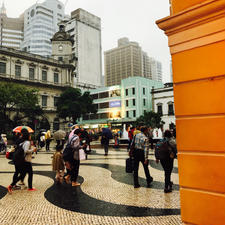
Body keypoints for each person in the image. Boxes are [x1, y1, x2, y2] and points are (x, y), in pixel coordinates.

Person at [8, 128, 36, 193]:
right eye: (29, 135)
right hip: (26, 160)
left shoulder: (23, 142)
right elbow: (26, 151)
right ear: (27, 136)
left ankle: (11, 185)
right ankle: (30, 187)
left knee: (22, 174)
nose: (30, 136)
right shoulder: (27, 142)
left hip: (22, 160)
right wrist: (33, 150)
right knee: (29, 173)